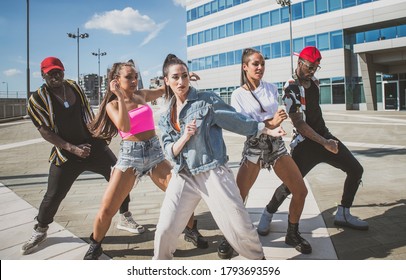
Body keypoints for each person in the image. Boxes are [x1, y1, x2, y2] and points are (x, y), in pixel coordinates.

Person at [153, 54, 286, 260]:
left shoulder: (206, 100)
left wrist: (265, 129)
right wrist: (185, 136)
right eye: (176, 77)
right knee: (164, 230)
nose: (181, 82)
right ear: (166, 81)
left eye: (185, 76)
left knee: (239, 227)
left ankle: (260, 262)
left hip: (212, 171)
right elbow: (170, 151)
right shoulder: (165, 116)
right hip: (183, 175)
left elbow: (236, 120)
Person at [83, 62, 207, 260]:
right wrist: (120, 97)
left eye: (135, 76)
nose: (134, 81)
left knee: (180, 193)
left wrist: (183, 77)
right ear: (116, 81)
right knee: (107, 208)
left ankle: (191, 230)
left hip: (154, 153)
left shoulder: (142, 94)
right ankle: (95, 244)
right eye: (128, 78)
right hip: (129, 156)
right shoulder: (112, 105)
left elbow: (164, 88)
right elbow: (125, 125)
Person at [22, 57, 138, 255]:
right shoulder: (37, 99)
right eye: (51, 73)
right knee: (53, 195)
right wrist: (73, 149)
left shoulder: (73, 87)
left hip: (92, 146)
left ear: (63, 72)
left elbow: (86, 113)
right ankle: (41, 229)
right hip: (66, 154)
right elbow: (45, 132)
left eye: (58, 72)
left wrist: (98, 134)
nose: (55, 76)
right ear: (43, 75)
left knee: (119, 176)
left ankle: (125, 215)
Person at [215, 48, 312, 259]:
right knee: (238, 197)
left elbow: (274, 114)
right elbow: (243, 125)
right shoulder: (238, 94)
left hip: (276, 145)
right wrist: (270, 123)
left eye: (262, 64)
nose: (260, 67)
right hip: (254, 146)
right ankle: (231, 237)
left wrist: (279, 120)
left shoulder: (271, 88)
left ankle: (292, 234)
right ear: (245, 67)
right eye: (255, 64)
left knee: (300, 190)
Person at [260, 46, 368, 232]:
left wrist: (326, 140)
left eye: (315, 68)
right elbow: (299, 124)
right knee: (290, 185)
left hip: (325, 137)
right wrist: (325, 143)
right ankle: (268, 213)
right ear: (300, 63)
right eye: (309, 67)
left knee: (356, 169)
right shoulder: (291, 88)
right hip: (306, 145)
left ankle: (343, 213)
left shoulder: (315, 82)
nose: (312, 71)